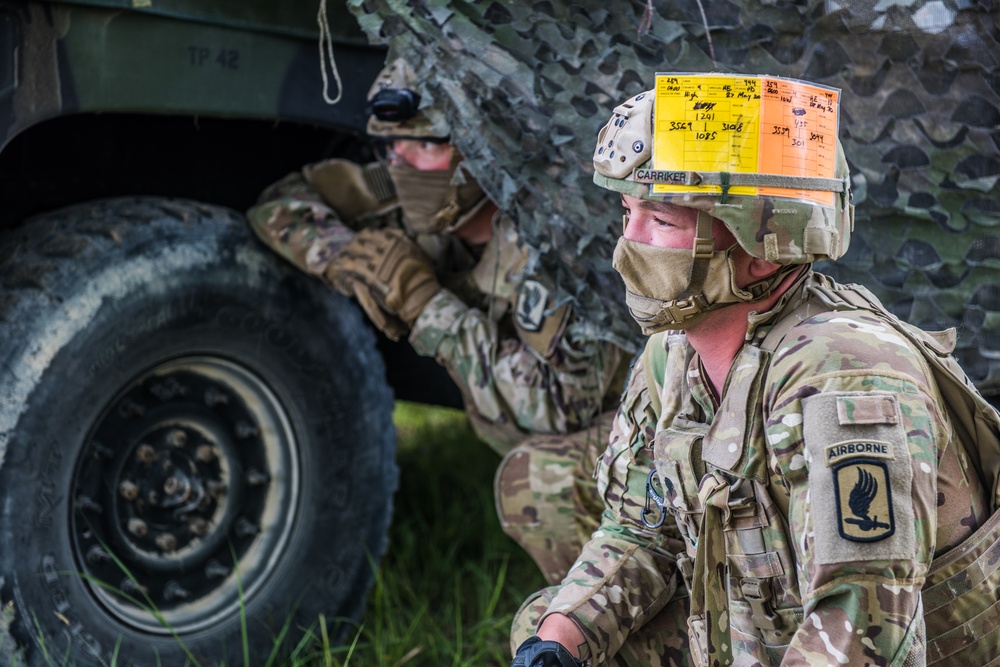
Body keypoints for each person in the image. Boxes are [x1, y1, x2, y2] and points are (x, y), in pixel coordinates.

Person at [509, 85, 1000, 667]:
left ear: (762, 246)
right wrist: (558, 642)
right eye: (626, 212)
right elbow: (642, 533)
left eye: (660, 219)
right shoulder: (673, 355)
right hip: (760, 627)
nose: (627, 243)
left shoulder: (845, 375)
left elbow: (865, 623)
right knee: (547, 624)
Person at [247, 58, 628, 585]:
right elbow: (282, 202)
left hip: (643, 434)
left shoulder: (560, 241)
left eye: (426, 145)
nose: (400, 162)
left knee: (542, 484)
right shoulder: (406, 185)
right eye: (391, 146)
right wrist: (348, 257)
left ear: (483, 150)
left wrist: (426, 305)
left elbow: (559, 408)